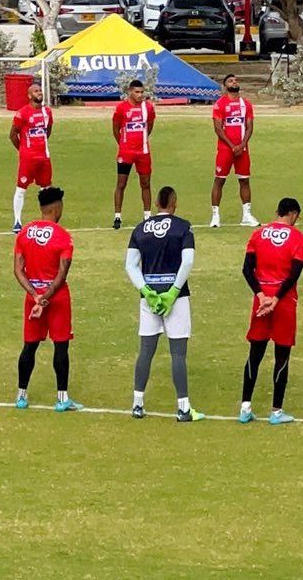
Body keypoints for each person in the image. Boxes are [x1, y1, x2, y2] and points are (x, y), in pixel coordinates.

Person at [127, 185, 199, 421]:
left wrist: (146, 291)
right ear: (174, 203)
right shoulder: (183, 227)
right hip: (176, 297)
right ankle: (183, 408)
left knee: (146, 350)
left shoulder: (140, 229)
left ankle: (137, 404)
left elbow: (130, 265)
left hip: (149, 297)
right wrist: (174, 291)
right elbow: (187, 262)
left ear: (157, 203)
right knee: (178, 353)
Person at [240, 197, 303, 425]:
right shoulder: (298, 238)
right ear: (292, 214)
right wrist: (277, 298)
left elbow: (247, 269)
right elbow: (294, 273)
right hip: (284, 303)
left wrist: (261, 296)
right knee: (282, 356)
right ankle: (276, 411)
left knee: (254, 354)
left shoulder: (258, 234)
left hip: (260, 303)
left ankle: (245, 407)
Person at [14, 186, 79, 412]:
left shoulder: (24, 233)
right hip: (57, 299)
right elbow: (62, 274)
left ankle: (21, 396)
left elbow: (18, 270)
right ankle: (62, 399)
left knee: (29, 346)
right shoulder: (63, 237)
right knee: (61, 346)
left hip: (32, 298)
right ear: (57, 207)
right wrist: (46, 298)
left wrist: (35, 296)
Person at [206, 74, 256, 229]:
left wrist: (242, 145)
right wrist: (232, 146)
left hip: (243, 149)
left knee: (244, 180)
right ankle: (215, 216)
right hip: (225, 150)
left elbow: (249, 126)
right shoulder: (220, 104)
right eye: (230, 81)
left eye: (235, 80)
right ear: (225, 86)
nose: (234, 82)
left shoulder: (246, 104)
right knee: (219, 180)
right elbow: (218, 128)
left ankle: (246, 215)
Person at [111, 79, 157, 230]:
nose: (140, 95)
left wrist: (142, 139)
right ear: (130, 92)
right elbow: (115, 128)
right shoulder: (121, 108)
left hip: (143, 152)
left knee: (145, 183)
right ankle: (117, 216)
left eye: (142, 92)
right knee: (121, 184)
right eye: (137, 92)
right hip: (126, 152)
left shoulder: (148, 108)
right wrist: (123, 144)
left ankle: (147, 216)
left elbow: (150, 125)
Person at [10, 80, 54, 233]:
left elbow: (48, 131)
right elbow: (13, 135)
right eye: (36, 91)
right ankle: (17, 221)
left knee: (46, 189)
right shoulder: (22, 113)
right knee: (21, 188)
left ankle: (47, 220)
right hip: (28, 159)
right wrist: (23, 150)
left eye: (40, 90)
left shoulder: (47, 112)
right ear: (29, 95)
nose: (39, 93)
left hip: (44, 158)